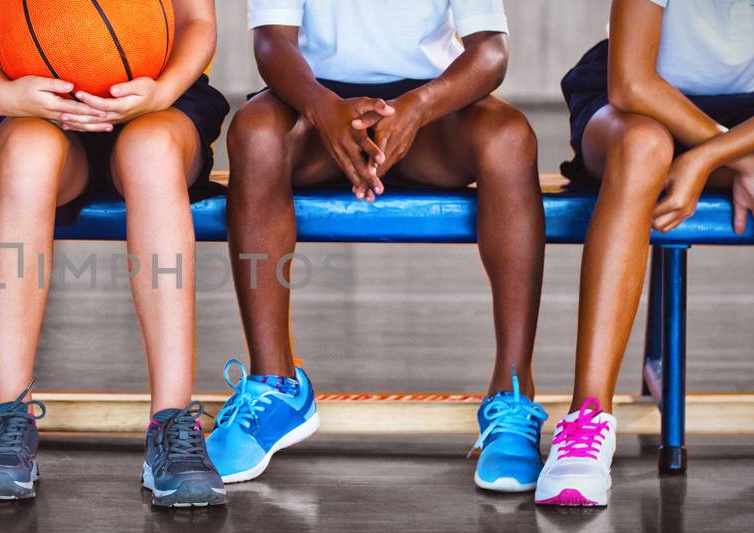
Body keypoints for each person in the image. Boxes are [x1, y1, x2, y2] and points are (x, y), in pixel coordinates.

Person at [536, 0, 754, 506]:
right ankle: (586, 419)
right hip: (635, 108)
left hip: (749, 109)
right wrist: (739, 155)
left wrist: (716, 153)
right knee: (645, 149)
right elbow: (631, 83)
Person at [215, 0, 547, 492]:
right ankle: (276, 384)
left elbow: (491, 52)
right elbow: (272, 40)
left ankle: (513, 395)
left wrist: (418, 107)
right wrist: (321, 106)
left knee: (509, 137)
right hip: (313, 106)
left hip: (431, 111)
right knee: (255, 133)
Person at [0, 0, 232, 508]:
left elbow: (199, 22)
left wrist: (163, 91)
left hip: (158, 99)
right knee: (29, 156)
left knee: (151, 154)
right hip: (33, 101)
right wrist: (0, 92)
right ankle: (7, 417)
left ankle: (171, 423)